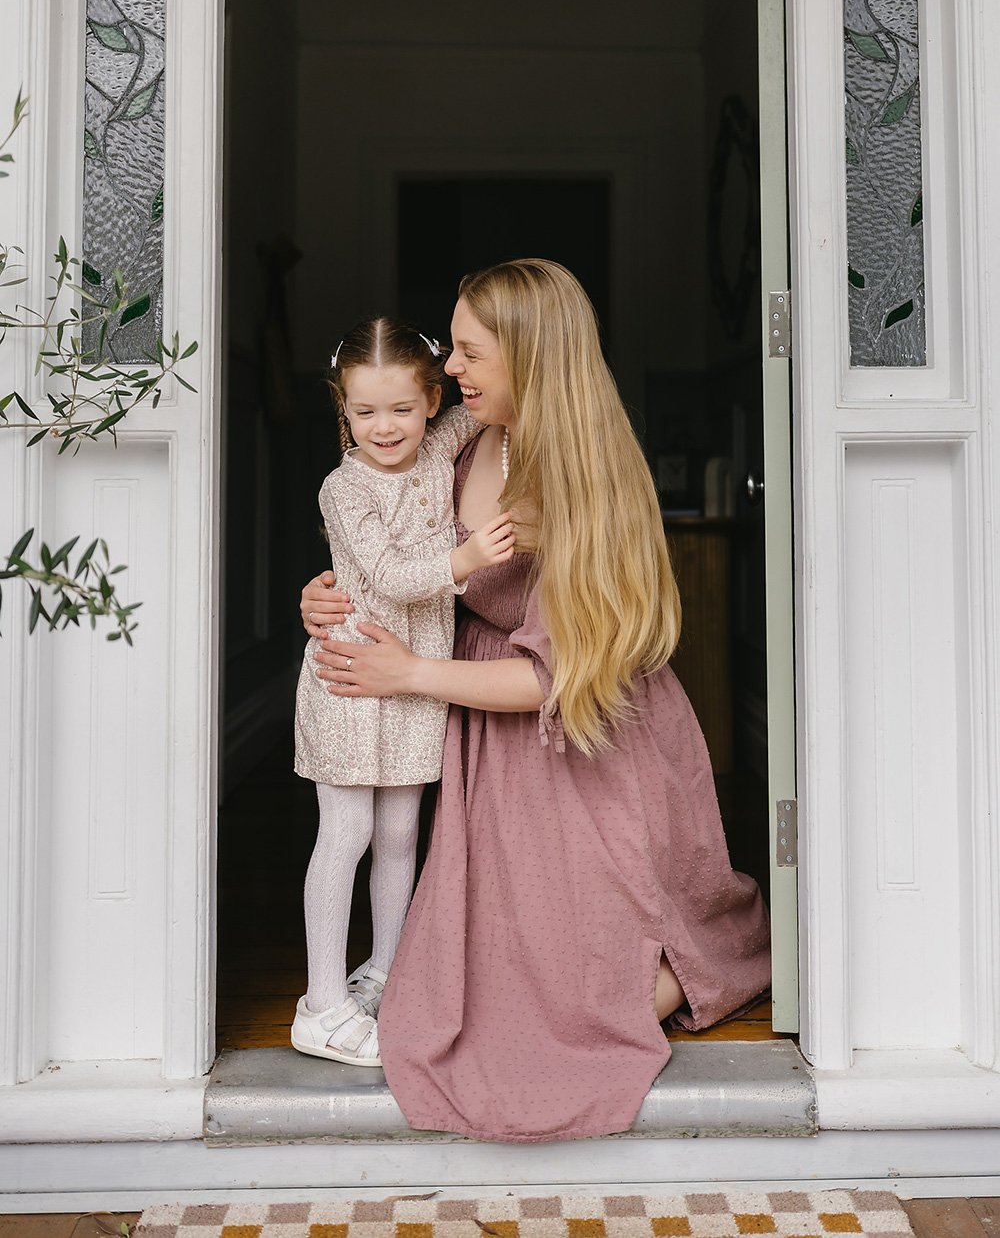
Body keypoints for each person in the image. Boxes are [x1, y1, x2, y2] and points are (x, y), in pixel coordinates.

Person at [299, 260, 770, 1141]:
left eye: (470, 352)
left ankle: (666, 968)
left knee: (572, 1000)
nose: (450, 370)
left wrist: (408, 675)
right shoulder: (466, 441)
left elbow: (561, 676)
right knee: (471, 989)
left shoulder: (580, 478)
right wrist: (325, 593)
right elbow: (391, 543)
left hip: (585, 738)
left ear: (529, 355)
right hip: (486, 731)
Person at [291, 317, 515, 1067]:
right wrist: (470, 556)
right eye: (363, 412)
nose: (383, 428)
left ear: (427, 403)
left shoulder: (441, 447)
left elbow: (482, 397)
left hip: (415, 680)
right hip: (353, 678)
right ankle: (321, 1003)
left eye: (401, 409)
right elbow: (388, 576)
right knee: (346, 835)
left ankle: (384, 972)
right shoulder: (343, 488)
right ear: (343, 412)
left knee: (397, 836)